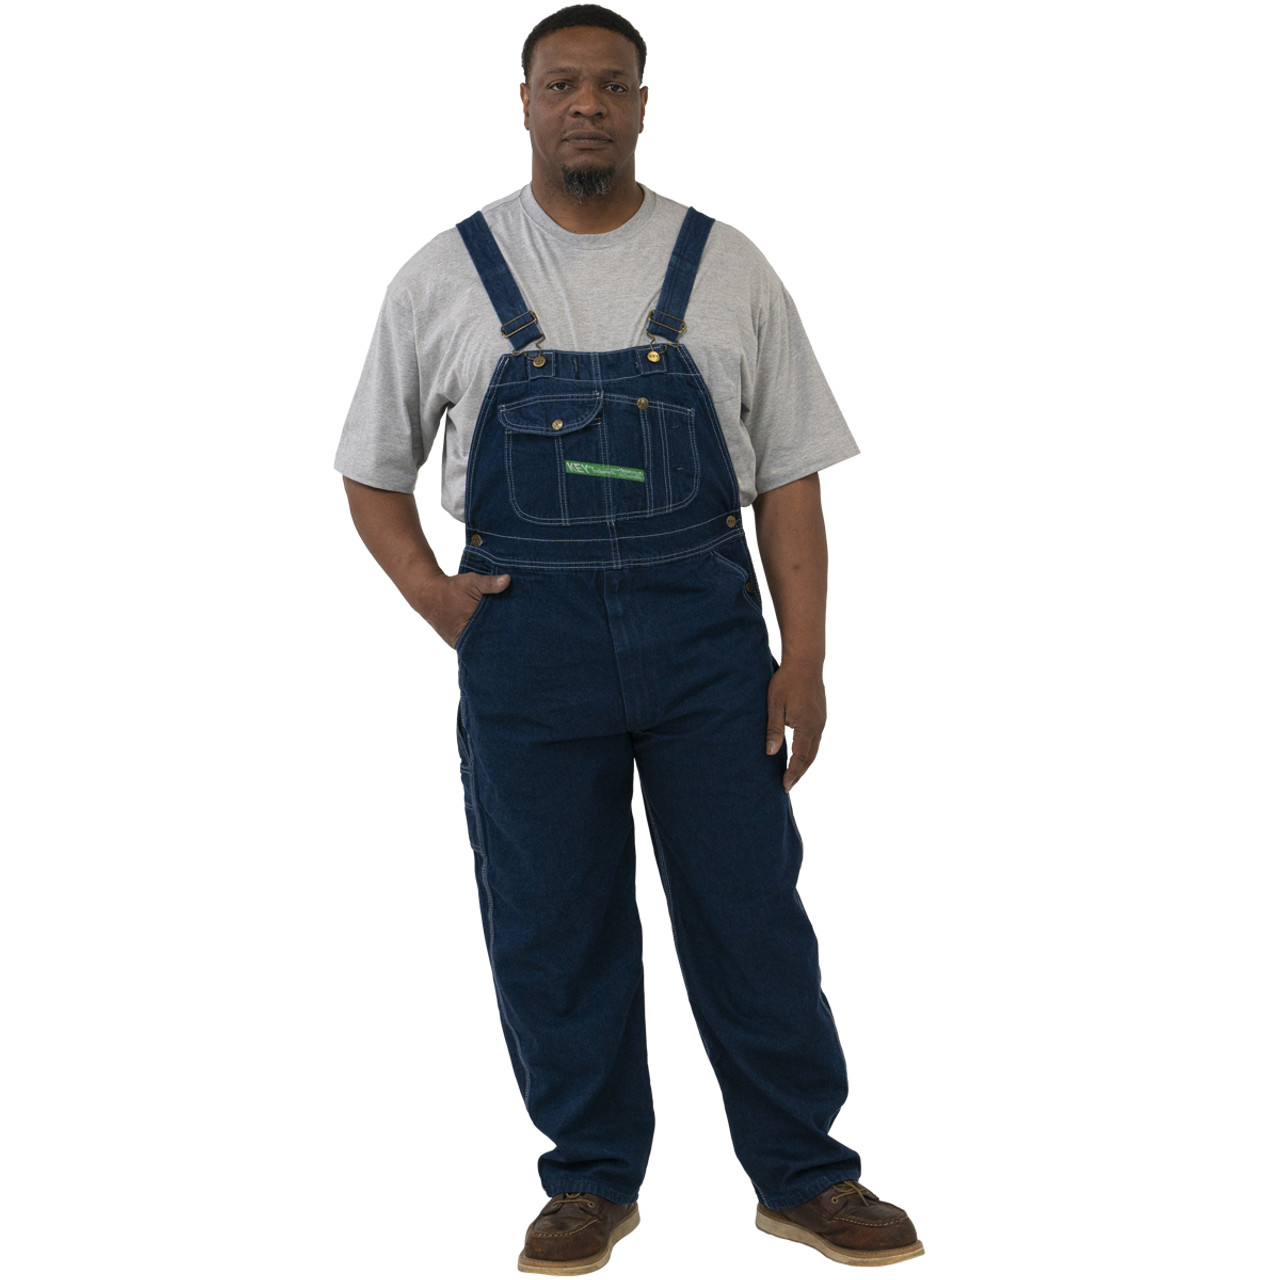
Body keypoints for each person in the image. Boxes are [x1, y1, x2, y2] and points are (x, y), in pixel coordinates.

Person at [335, 5, 922, 1272]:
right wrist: (436, 597)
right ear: (527, 102)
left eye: (610, 84)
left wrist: (804, 658)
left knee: (749, 908)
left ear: (644, 102)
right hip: (526, 649)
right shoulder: (446, 273)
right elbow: (369, 471)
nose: (586, 104)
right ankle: (590, 1178)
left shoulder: (729, 265)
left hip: (707, 643)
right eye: (562, 85)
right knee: (552, 916)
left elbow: (791, 484)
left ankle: (805, 1175)